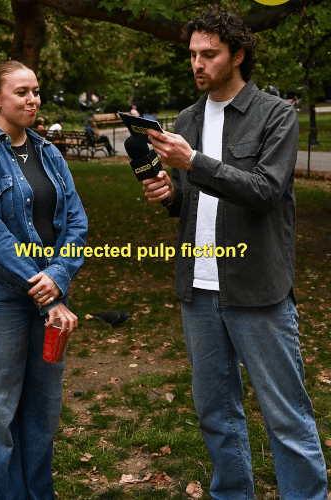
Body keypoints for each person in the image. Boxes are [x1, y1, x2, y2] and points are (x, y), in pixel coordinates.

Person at [142, 7, 328, 500]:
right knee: (215, 414)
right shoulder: (188, 119)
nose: (197, 64)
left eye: (209, 54)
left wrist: (193, 162)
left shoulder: (275, 114)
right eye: (192, 55)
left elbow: (266, 191)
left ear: (238, 55)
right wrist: (170, 193)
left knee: (285, 415)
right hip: (198, 287)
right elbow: (193, 199)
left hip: (256, 287)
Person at [0, 60, 88, 500]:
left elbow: (76, 222)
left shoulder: (49, 152)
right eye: (22, 92)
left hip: (48, 290)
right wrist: (48, 293)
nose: (33, 100)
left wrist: (59, 275)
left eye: (36, 91)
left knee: (42, 410)